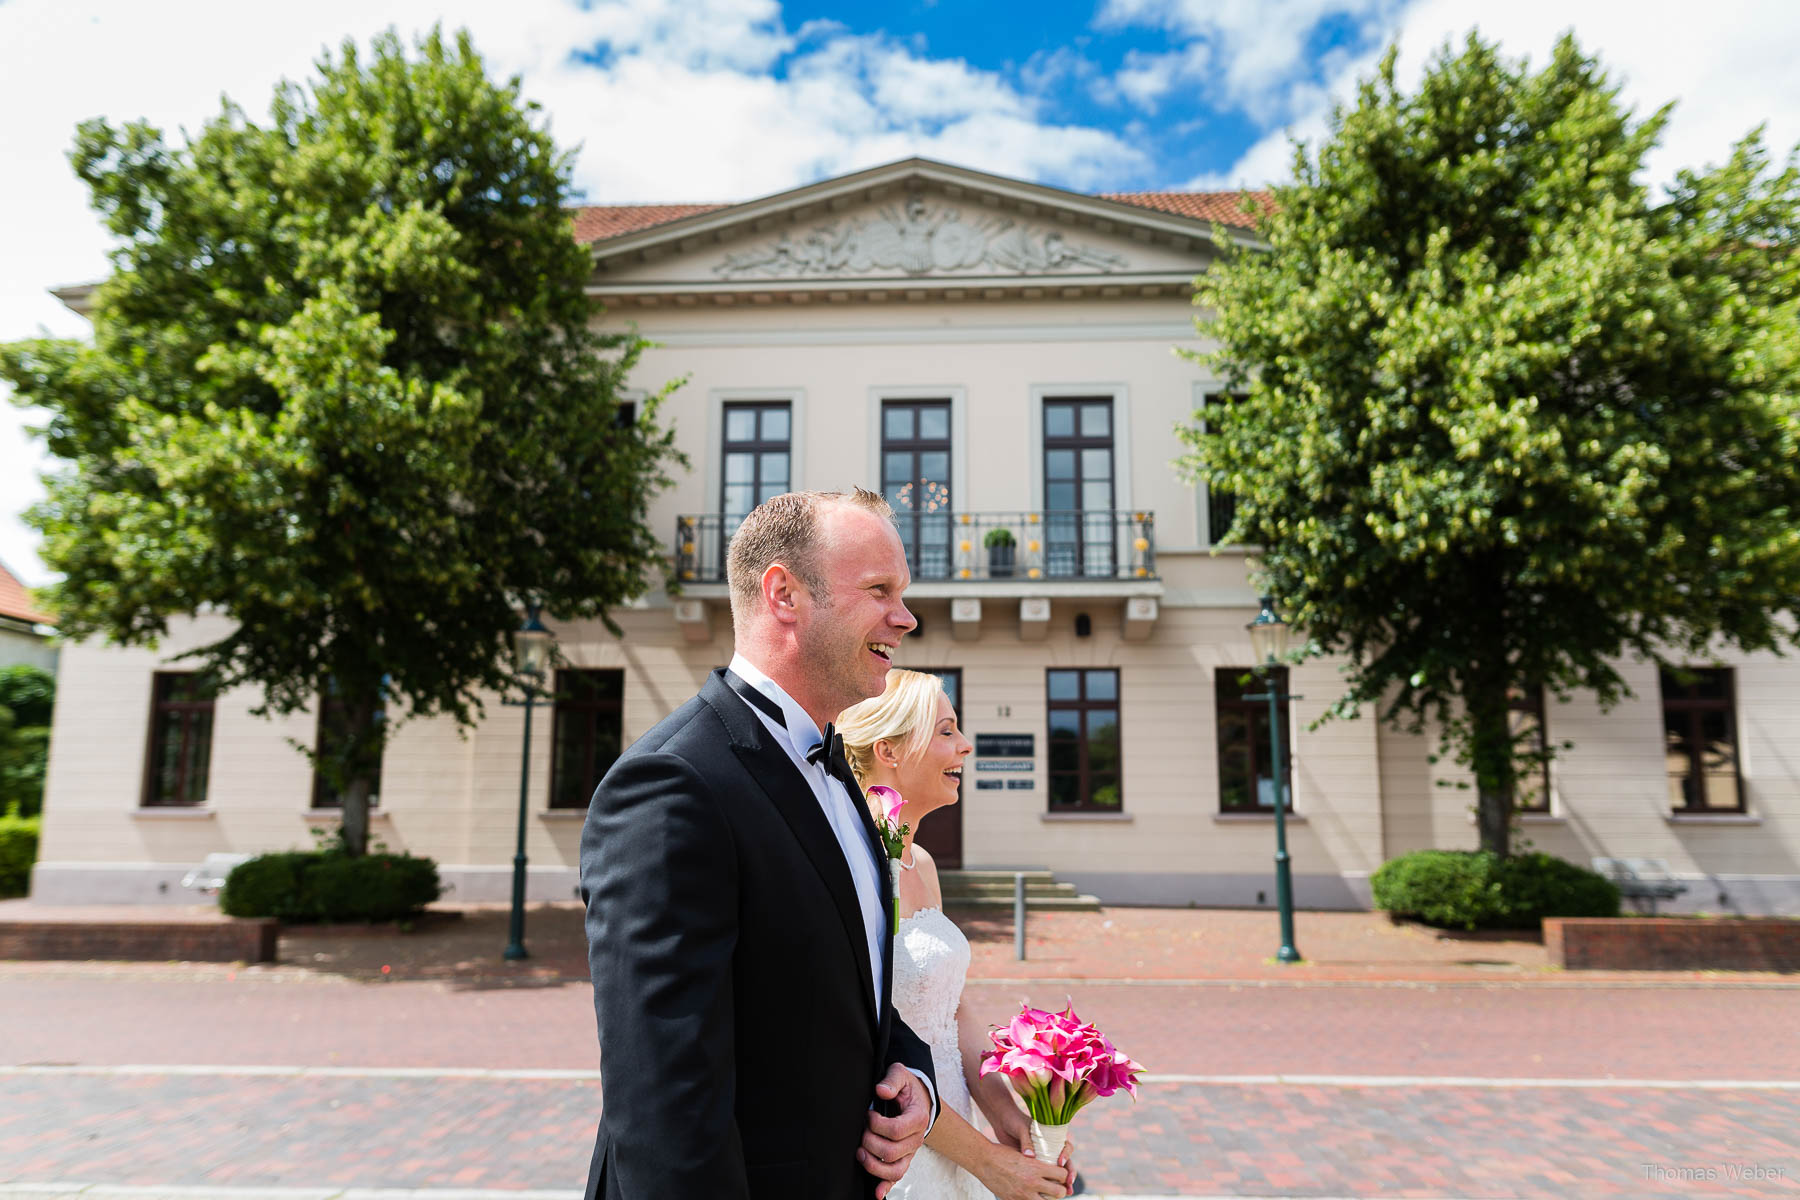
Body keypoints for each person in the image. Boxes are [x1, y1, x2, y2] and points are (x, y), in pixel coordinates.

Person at [580, 489, 939, 1200]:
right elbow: (664, 1105)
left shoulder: (837, 767)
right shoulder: (672, 785)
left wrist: (913, 1072)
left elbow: (841, 984)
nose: (906, 617)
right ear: (784, 594)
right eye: (879, 591)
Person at [838, 670, 1077, 1200]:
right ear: (889, 750)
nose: (965, 746)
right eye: (946, 731)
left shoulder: (920, 863)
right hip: (897, 1142)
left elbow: (954, 1012)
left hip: (959, 1132)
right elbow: (874, 1051)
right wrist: (987, 1161)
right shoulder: (853, 867)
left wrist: (1006, 1116)